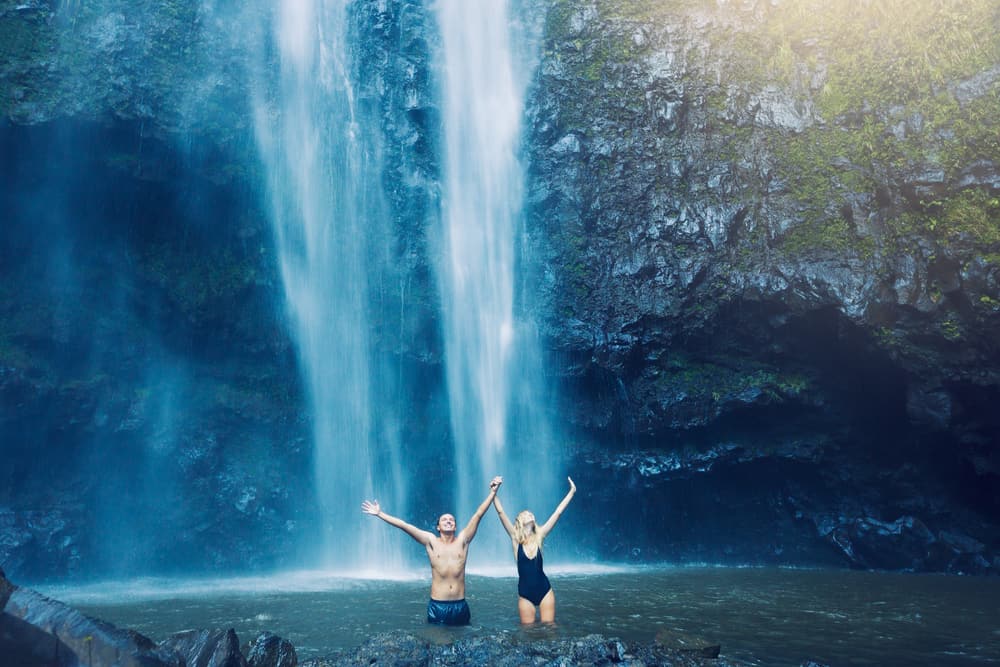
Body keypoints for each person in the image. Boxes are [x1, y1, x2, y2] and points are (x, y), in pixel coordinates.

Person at [361, 475, 502, 626]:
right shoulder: (431, 541)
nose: (448, 521)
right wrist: (380, 514)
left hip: (460, 604)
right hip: (438, 605)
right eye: (444, 520)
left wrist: (493, 492)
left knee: (463, 642)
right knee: (438, 642)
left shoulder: (463, 540)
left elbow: (478, 514)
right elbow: (404, 525)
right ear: (438, 527)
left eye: (452, 520)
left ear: (455, 527)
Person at [492, 476, 576, 624]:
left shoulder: (540, 535)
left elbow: (558, 512)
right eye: (526, 514)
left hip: (545, 590)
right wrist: (494, 492)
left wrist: (572, 492)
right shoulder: (515, 538)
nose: (530, 514)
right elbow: (500, 513)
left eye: (531, 513)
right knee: (527, 632)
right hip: (525, 594)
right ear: (519, 520)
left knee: (549, 629)